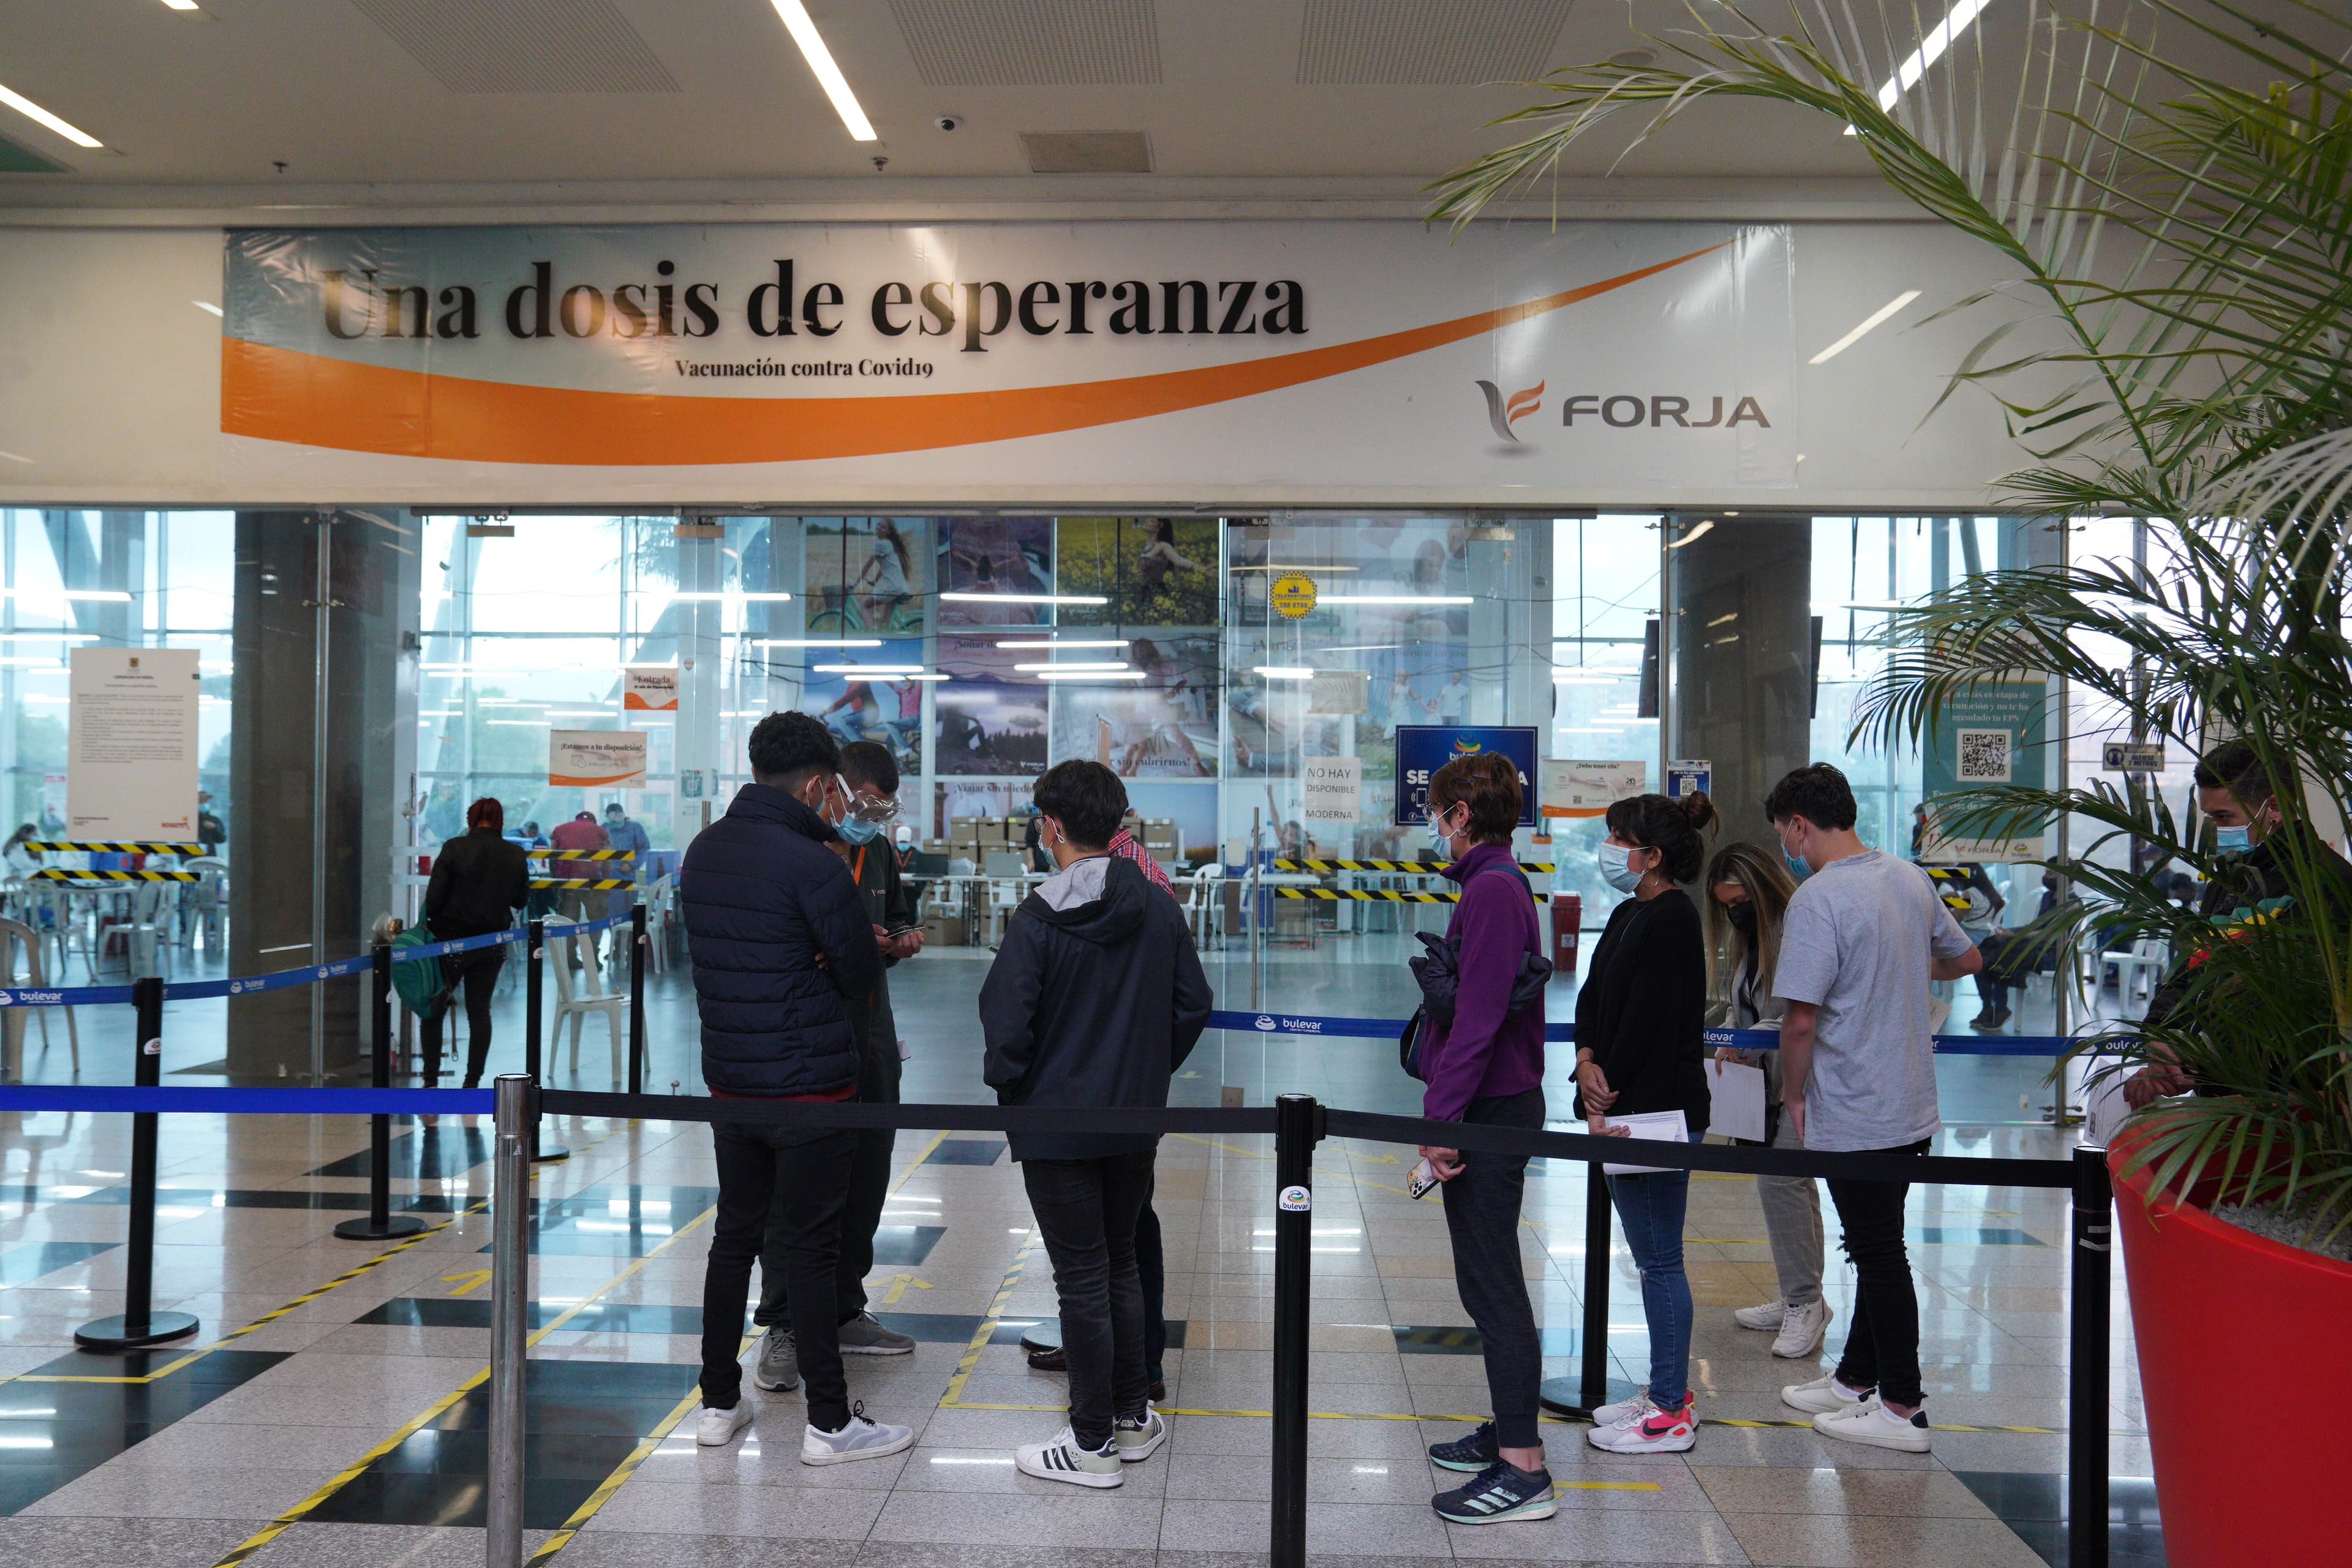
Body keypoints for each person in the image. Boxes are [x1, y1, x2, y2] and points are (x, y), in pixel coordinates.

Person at [680, 712, 912, 1465]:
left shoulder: (704, 851)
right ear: (818, 785)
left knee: (734, 1237)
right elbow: (856, 973)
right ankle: (831, 1424)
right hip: (811, 1086)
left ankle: (719, 1403)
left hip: (731, 1083)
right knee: (811, 1249)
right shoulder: (815, 860)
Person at [980, 761, 1211, 1487]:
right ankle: (1132, 1415)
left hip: (1056, 1127)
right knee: (1120, 1263)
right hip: (1133, 1120)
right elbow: (1192, 1003)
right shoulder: (1159, 907)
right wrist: (1144, 1071)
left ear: (1052, 827)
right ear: (1121, 823)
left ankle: (1089, 1443)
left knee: (1080, 1276)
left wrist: (1018, 1087)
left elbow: (1005, 1031)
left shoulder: (1038, 917)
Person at [1766, 763, 1981, 1453]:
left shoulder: (1818, 897)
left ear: (1799, 824)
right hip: (1911, 1102)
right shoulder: (1907, 877)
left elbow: (1800, 1020)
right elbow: (1966, 957)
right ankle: (1856, 1379)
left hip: (1856, 1103)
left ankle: (1901, 1406)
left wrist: (1793, 1094)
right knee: (1873, 1242)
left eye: (1783, 832)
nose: (1786, 846)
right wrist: (1897, 966)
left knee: (1879, 1252)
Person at [750, 740, 922, 1388]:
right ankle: (786, 1322)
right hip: (804, 1039)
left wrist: (900, 941)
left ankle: (846, 1309)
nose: (873, 817)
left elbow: (898, 917)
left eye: (883, 807)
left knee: (866, 1174)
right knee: (794, 1188)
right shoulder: (794, 853)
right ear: (834, 790)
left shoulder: (874, 849)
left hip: (871, 1034)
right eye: (868, 804)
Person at [1413, 753, 1556, 1524]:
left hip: (1490, 1112)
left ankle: (1523, 1468)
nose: (1434, 824)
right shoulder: (1491, 885)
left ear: (1462, 813)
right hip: (1488, 1105)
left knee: (1494, 1283)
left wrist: (1443, 1121)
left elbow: (1478, 1019)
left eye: (1437, 810)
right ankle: (1511, 1426)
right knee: (1484, 1279)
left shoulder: (1495, 890)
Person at [1575, 792, 1716, 1455]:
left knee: (1660, 1259)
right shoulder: (1631, 911)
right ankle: (1663, 1388)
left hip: (1655, 1109)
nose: (1609, 850)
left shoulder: (1674, 919)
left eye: (1617, 838)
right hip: (1620, 1101)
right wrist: (1584, 1061)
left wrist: (1605, 1086)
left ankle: (1670, 1409)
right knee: (1647, 1253)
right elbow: (1594, 994)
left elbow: (1649, 1020)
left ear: (1652, 855)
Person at [2124, 739, 2352, 1106]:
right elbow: (2190, 969)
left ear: (2274, 807)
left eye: (2224, 817)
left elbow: (2288, 1006)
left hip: (2283, 1105)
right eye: (2209, 817)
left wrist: (2195, 1062)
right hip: (2216, 1092)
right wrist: (2163, 1039)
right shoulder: (2230, 878)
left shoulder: (2326, 883)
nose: (2215, 829)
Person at [1703, 842, 1829, 1358]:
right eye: (1725, 903)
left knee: (1781, 1180)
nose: (1734, 911)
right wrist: (1734, 1037)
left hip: (1808, 1081)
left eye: (1740, 900)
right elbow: (1746, 1007)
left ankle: (1805, 1302)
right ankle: (1802, 1295)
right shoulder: (1749, 940)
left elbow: (1800, 1014)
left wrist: (1749, 1039)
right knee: (1789, 1184)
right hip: (1770, 1084)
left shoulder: (1796, 929)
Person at [418, 797, 529, 1089]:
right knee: (480, 1012)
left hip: (449, 942)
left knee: (435, 1010)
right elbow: (520, 900)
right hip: (491, 944)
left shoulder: (454, 848)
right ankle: (472, 1081)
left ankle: (430, 1080)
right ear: (499, 820)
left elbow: (434, 898)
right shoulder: (515, 853)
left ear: (471, 818)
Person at [1971, 869, 2075, 1030]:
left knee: (2000, 959)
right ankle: (1988, 1007)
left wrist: (2017, 936)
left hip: (2050, 953)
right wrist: (2011, 933)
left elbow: (2052, 934)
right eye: (2046, 873)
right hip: (2032, 945)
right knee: (1984, 952)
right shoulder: (2048, 897)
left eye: (2051, 874)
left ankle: (2000, 1008)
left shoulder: (2073, 904)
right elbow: (2036, 927)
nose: (2046, 877)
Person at [548, 809, 611, 963]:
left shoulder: (560, 829)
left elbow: (552, 856)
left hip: (568, 881)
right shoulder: (601, 831)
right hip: (592, 881)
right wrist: (607, 884)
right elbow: (607, 860)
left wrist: (555, 880)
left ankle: (570, 958)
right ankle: (593, 957)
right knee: (596, 920)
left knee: (569, 919)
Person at [600, 800, 652, 921]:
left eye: (618, 818)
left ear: (623, 815)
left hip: (628, 875)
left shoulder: (635, 828)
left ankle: (628, 939)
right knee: (612, 914)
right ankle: (615, 938)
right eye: (612, 819)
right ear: (607, 817)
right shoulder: (604, 828)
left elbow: (644, 849)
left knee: (629, 912)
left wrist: (632, 864)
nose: (615, 823)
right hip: (609, 877)